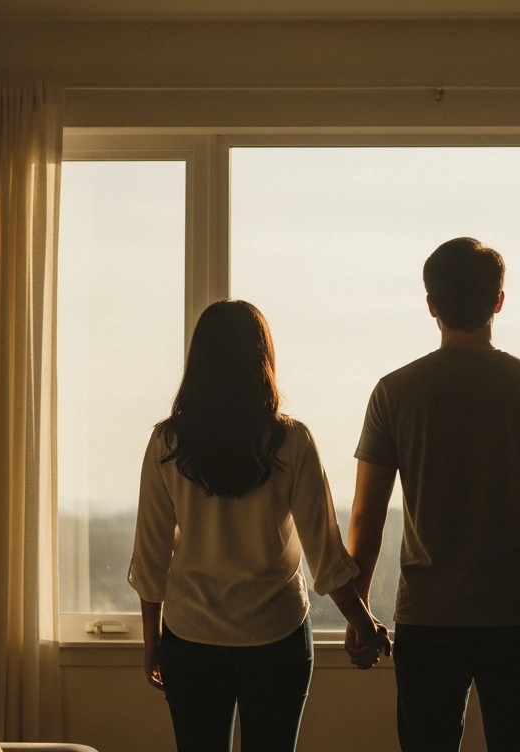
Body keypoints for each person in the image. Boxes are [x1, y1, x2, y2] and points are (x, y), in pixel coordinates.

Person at [345, 238, 520, 752]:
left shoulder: (395, 392)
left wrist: (359, 608)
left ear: (431, 305)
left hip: (428, 617)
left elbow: (367, 519)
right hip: (519, 612)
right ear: (499, 300)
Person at [128, 299, 392, 752]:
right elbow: (325, 556)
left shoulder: (167, 443)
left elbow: (151, 558)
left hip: (191, 640)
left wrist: (152, 641)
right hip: (277, 637)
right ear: (262, 359)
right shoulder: (291, 441)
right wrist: (363, 623)